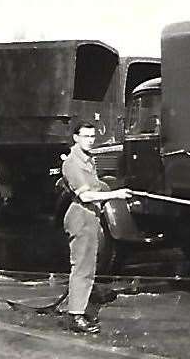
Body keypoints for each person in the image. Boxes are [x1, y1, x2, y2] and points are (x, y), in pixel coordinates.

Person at [62, 121, 132, 334]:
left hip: (91, 216)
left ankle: (81, 305)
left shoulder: (88, 159)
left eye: (92, 136)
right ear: (75, 137)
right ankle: (75, 316)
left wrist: (116, 187)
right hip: (80, 216)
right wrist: (115, 195)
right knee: (82, 267)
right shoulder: (73, 163)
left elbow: (96, 185)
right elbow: (85, 195)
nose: (90, 140)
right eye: (85, 136)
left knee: (89, 266)